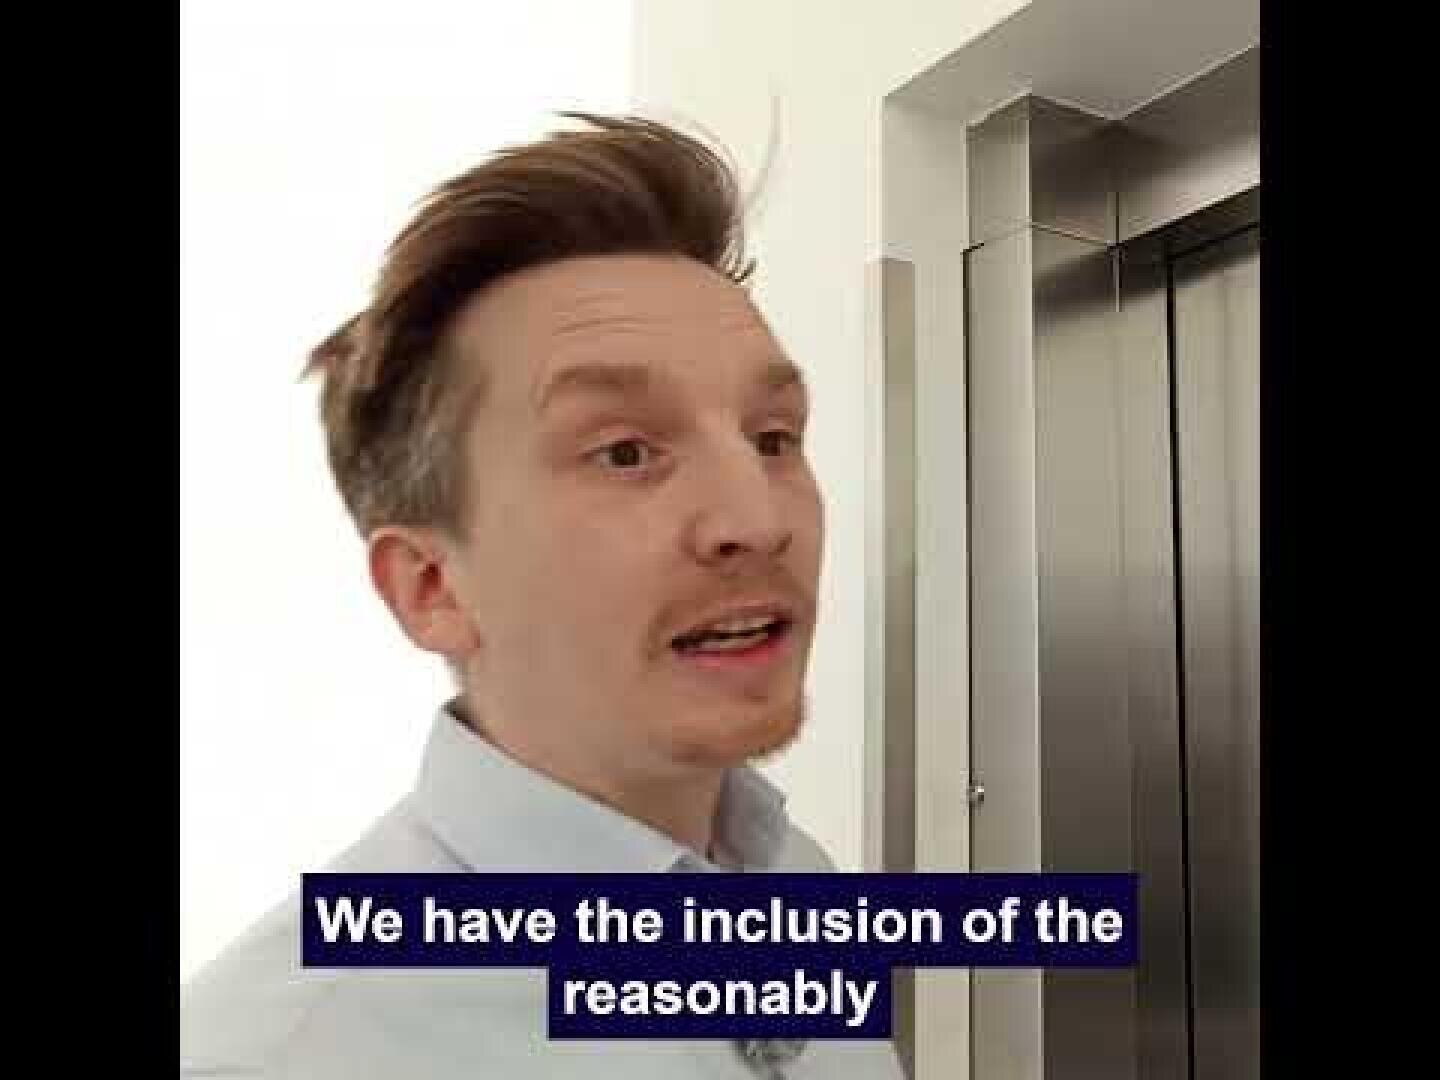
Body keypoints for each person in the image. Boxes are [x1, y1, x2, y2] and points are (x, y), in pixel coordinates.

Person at [180, 112, 906, 1079]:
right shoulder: (287, 1052)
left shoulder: (793, 882)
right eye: (626, 452)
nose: (758, 518)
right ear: (432, 587)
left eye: (772, 437)